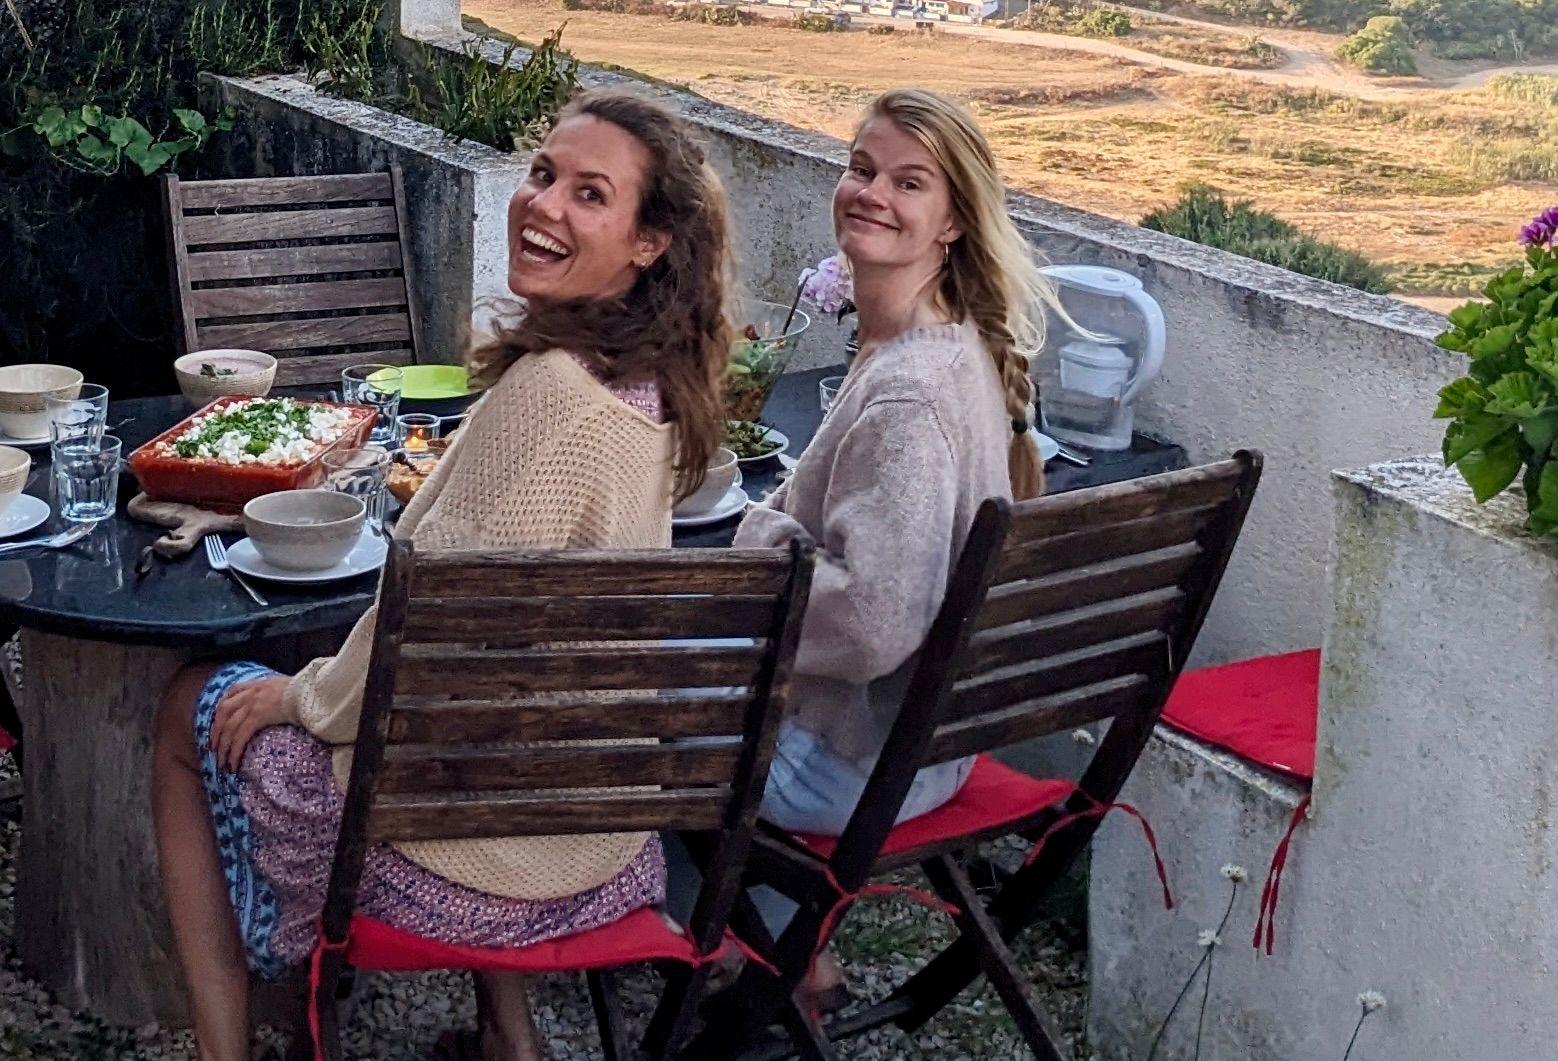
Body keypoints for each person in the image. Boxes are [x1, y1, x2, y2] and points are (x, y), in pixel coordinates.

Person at [150, 92, 732, 1061]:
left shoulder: (548, 396)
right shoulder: (652, 391)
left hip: (484, 864)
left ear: (648, 243)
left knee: (183, 709)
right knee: (492, 701)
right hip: (603, 845)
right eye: (544, 174)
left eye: (591, 194)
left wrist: (300, 693)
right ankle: (510, 1033)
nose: (543, 204)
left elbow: (414, 641)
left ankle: (222, 1052)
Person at [735, 87, 1054, 844]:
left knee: (615, 676)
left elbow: (876, 621)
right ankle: (793, 957)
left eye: (908, 182)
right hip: (930, 753)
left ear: (952, 221)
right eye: (862, 169)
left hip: (841, 767)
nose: (872, 193)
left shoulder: (909, 395)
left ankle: (628, 913)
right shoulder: (952, 340)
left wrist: (762, 538)